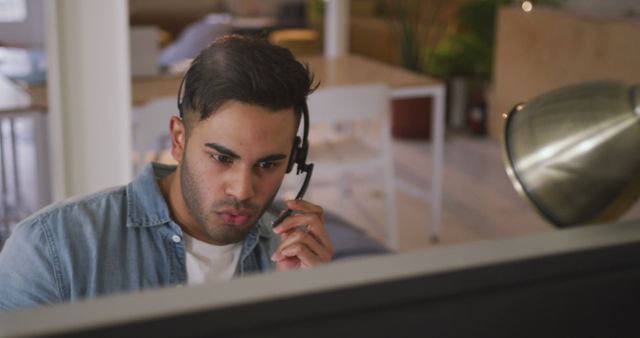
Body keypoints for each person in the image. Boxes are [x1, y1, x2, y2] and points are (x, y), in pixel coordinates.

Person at [0, 35, 333, 312]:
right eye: (221, 157)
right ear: (178, 139)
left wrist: (307, 304)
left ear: (294, 159)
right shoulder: (51, 250)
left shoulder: (292, 258)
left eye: (267, 164)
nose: (243, 190)